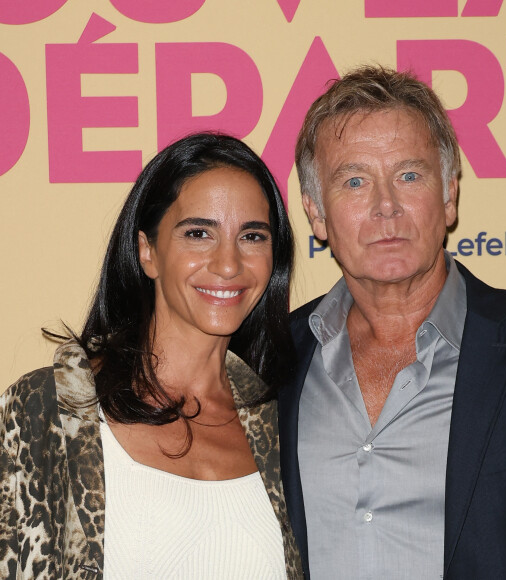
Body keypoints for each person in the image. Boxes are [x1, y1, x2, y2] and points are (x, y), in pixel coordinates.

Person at [278, 65, 506, 579]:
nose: (386, 207)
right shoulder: (271, 360)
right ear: (316, 214)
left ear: (449, 196)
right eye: (354, 181)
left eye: (409, 176)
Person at [0, 133, 303, 579]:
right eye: (199, 233)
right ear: (147, 252)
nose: (228, 263)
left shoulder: (284, 423)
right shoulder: (47, 410)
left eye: (252, 236)